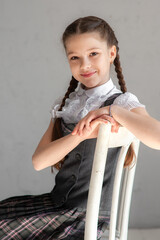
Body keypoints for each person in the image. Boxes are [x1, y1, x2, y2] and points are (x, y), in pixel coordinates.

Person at [0, 15, 160, 240]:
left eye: (93, 54)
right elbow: (39, 162)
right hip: (57, 204)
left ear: (111, 54)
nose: (84, 65)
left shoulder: (121, 102)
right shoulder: (67, 104)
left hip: (85, 217)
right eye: (74, 57)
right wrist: (82, 135)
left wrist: (112, 111)